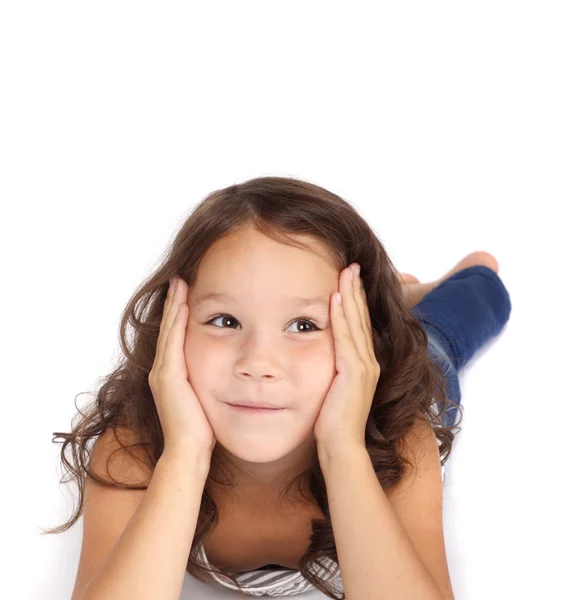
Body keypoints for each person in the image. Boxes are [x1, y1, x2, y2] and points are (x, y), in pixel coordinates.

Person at [44, 176, 511, 599]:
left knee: (466, 305)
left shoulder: (400, 440)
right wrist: (184, 455)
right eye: (225, 320)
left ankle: (409, 297)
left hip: (398, 381)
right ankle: (383, 296)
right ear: (173, 327)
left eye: (304, 324)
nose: (258, 364)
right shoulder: (137, 449)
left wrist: (343, 451)